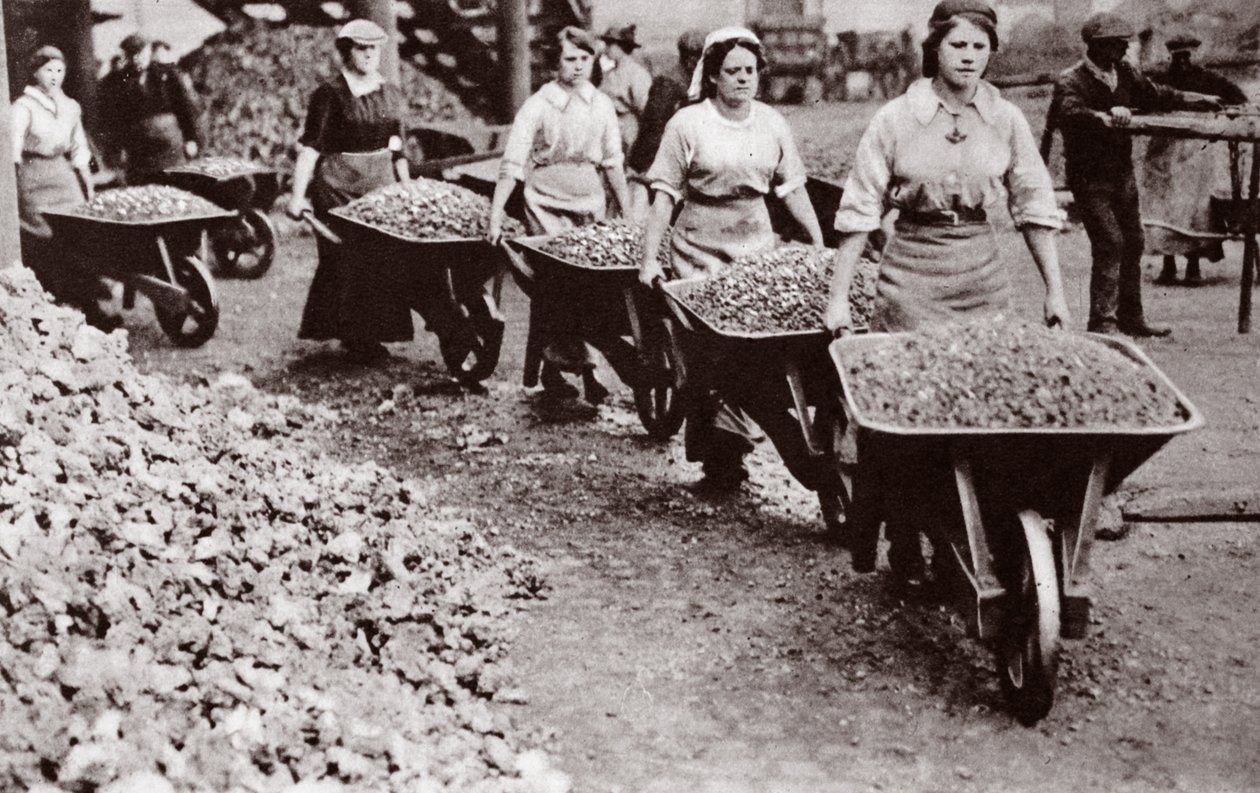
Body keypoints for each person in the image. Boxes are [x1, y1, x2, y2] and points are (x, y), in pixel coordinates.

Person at [822, 0, 1069, 587]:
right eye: (958, 45)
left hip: (981, 272)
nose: (969, 56)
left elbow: (1034, 204)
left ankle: (974, 540)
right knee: (909, 414)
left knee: (986, 409)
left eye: (980, 47)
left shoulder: (1005, 118)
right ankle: (905, 537)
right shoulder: (897, 118)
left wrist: (1055, 291)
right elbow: (858, 212)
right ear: (934, 49)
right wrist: (837, 297)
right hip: (912, 276)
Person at [639, 27, 825, 490]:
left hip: (755, 245)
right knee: (709, 357)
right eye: (733, 72)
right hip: (700, 247)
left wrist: (817, 241)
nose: (744, 79)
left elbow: (792, 187)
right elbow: (663, 196)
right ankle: (718, 461)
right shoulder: (688, 124)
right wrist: (649, 258)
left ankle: (737, 446)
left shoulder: (771, 123)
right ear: (713, 76)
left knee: (755, 353)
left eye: (750, 71)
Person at [1046, 13, 1221, 336]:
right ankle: (1103, 321)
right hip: (1090, 177)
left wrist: (1201, 100)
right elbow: (1071, 114)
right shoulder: (1071, 80)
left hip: (1121, 173)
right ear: (1099, 46)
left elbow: (1158, 95)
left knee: (1134, 241)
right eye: (1119, 45)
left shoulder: (1124, 72)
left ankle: (1131, 318)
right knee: (1110, 242)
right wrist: (1106, 115)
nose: (1125, 50)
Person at [487, 26, 629, 404]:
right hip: (545, 204)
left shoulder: (601, 104)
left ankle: (567, 365)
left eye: (586, 58)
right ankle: (583, 367)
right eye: (570, 59)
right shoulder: (538, 105)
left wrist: (628, 215)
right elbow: (513, 163)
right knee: (556, 285)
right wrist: (497, 213)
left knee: (591, 287)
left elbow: (614, 163)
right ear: (555, 62)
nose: (579, 66)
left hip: (589, 204)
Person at [285, 19, 412, 364]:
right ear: (346, 52)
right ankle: (356, 338)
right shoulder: (329, 95)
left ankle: (375, 334)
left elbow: (398, 149)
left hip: (381, 187)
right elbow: (311, 148)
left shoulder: (390, 93)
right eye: (361, 47)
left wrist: (410, 190)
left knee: (383, 259)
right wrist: (298, 196)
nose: (369, 54)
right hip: (339, 188)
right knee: (347, 260)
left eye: (374, 48)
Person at [11, 45, 118, 330]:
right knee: (45, 239)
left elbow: (79, 148)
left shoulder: (70, 107)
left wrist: (87, 184)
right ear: (35, 73)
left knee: (78, 235)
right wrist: (13, 189)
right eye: (49, 70)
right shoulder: (23, 108)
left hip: (63, 174)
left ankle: (90, 308)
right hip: (33, 179)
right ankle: (52, 306)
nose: (55, 76)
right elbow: (12, 152)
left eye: (60, 70)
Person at [1146, 33, 1249, 285]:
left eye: (1187, 55)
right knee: (1165, 207)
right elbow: (1144, 97)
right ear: (1171, 55)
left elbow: (1239, 99)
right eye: (1178, 55)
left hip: (1196, 151)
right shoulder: (1160, 80)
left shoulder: (1209, 79)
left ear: (1194, 54)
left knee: (1194, 208)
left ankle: (1193, 266)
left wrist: (1226, 114)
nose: (1183, 61)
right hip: (1164, 148)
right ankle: (1168, 265)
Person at [98, 33, 204, 184]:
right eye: (131, 54)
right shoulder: (117, 82)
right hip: (139, 152)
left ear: (149, 51)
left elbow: (185, 109)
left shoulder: (168, 74)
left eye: (140, 53)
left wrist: (191, 139)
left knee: (175, 187)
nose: (136, 58)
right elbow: (113, 120)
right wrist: (115, 150)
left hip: (171, 147)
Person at [625, 29, 705, 222]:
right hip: (666, 165)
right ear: (691, 59)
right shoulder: (667, 84)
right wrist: (641, 166)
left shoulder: (696, 82)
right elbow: (653, 128)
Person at [598, 24, 653, 155]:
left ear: (621, 46)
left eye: (609, 45)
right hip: (608, 127)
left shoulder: (637, 74)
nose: (605, 50)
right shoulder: (608, 74)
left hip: (628, 128)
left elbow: (645, 109)